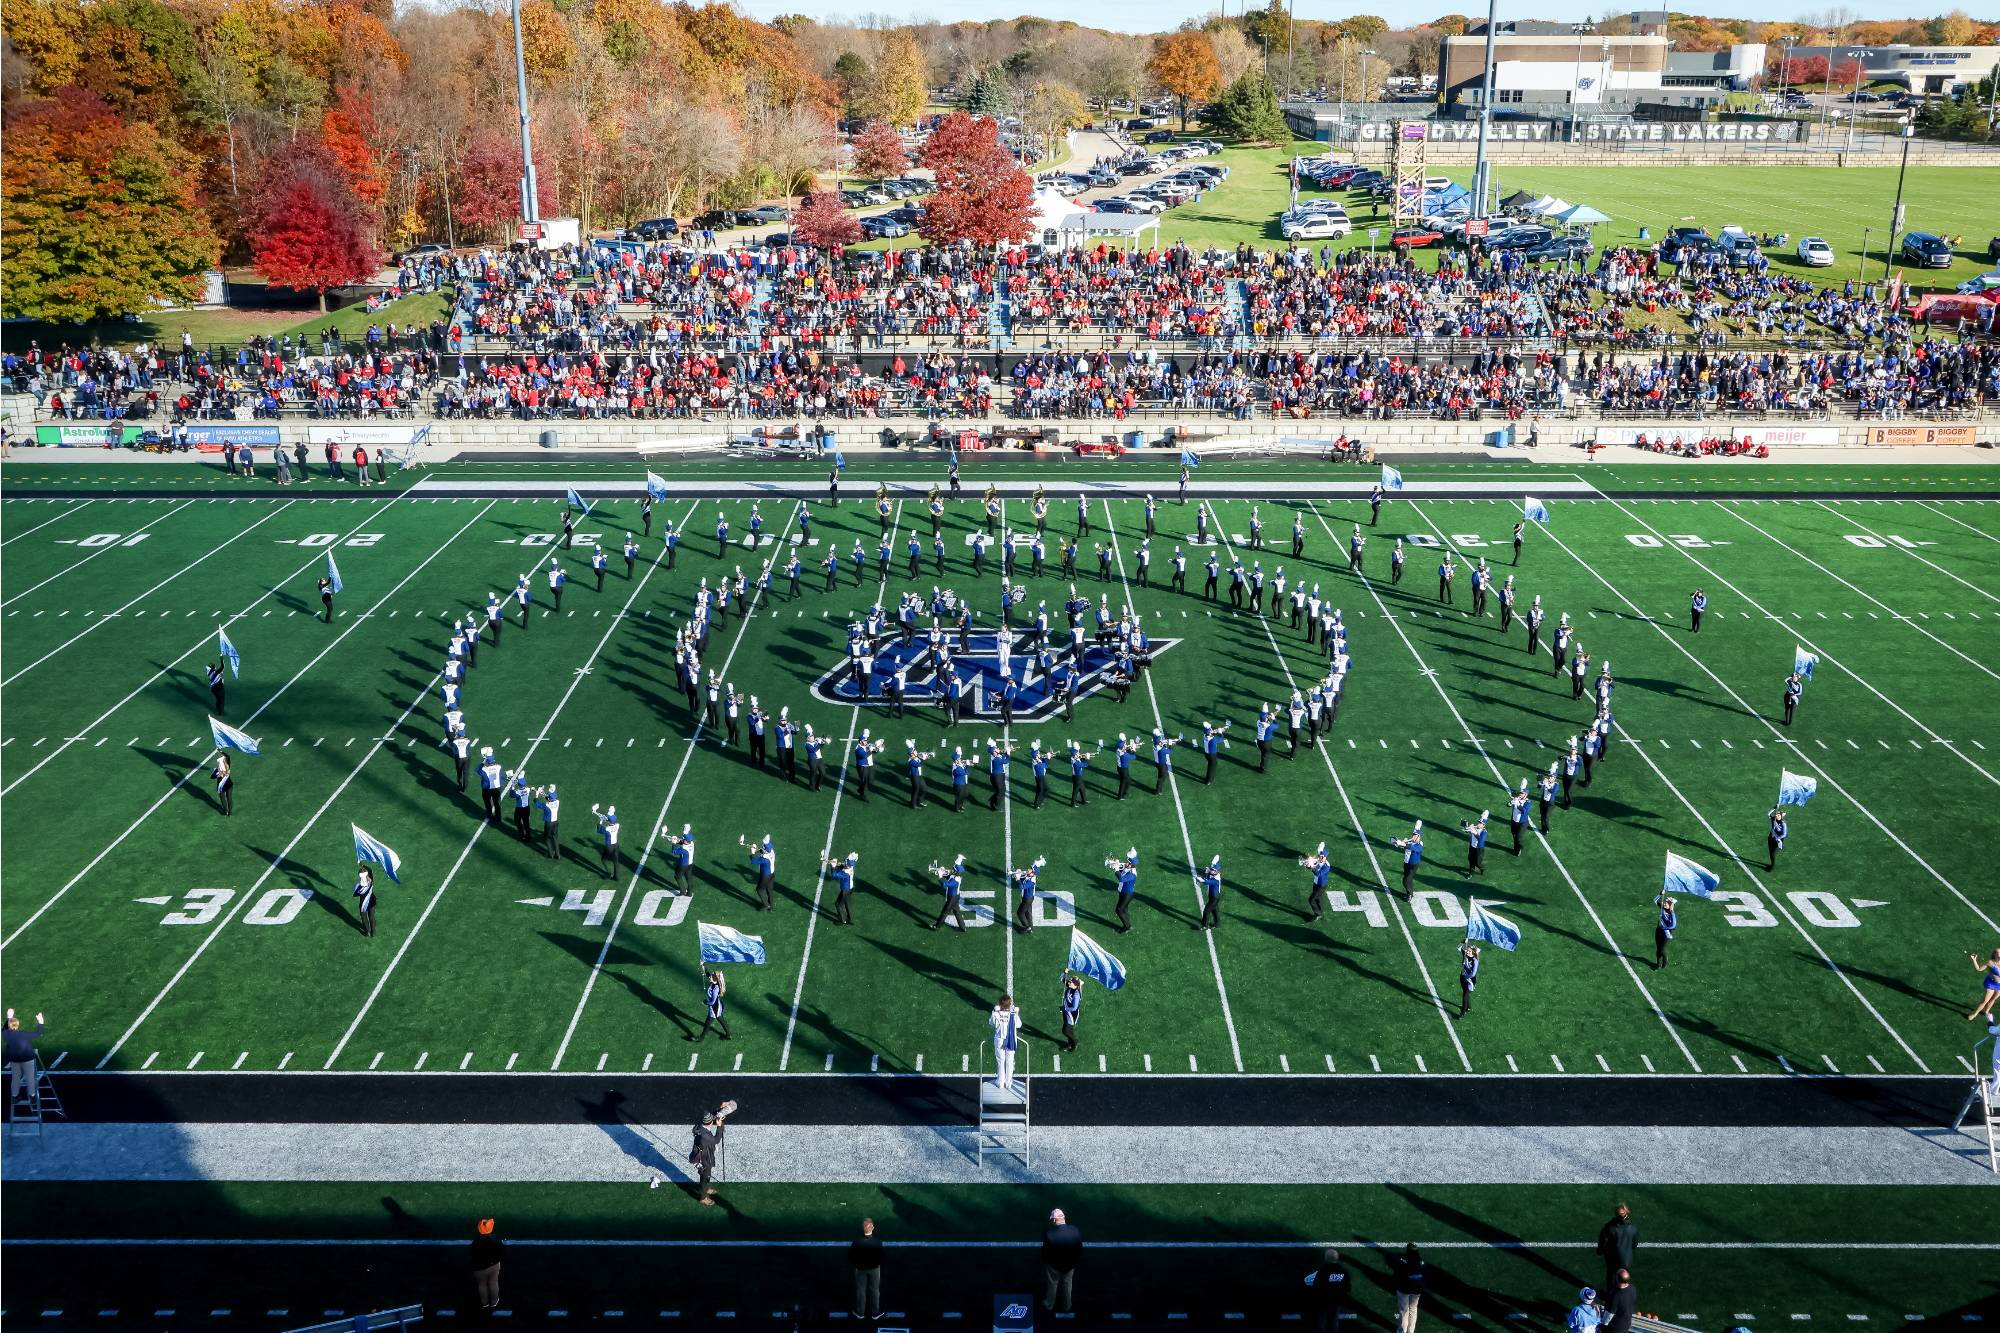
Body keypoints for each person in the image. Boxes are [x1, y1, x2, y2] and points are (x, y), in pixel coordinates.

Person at [1040, 1208, 1082, 1315]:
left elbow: (1045, 1253)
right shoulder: (1075, 1230)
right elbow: (1079, 1249)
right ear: (1063, 1218)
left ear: (1054, 1220)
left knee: (1052, 1284)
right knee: (1067, 1285)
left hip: (1054, 1266)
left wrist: (1047, 1263)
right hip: (1069, 1265)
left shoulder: (1049, 1234)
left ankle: (1050, 1304)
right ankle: (1067, 1306)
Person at [1304, 1247, 1350, 1333]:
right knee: (1333, 1320)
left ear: (1327, 1258)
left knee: (1321, 1320)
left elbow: (1316, 1285)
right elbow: (1347, 1288)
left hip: (1324, 1300)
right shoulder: (1344, 1271)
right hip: (1337, 1300)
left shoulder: (1323, 1271)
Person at [5, 1009, 46, 1107]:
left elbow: (6, 1028)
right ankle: (32, 1097)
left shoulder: (6, 1035)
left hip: (14, 1060)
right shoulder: (24, 1034)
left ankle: (15, 1097)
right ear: (17, 1025)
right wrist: (41, 1021)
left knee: (15, 1078)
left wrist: (9, 1016)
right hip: (27, 1058)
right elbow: (39, 1032)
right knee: (30, 1078)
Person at [1596, 1203, 1636, 1296]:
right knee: (1623, 1277)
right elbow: (1635, 1243)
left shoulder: (1610, 1227)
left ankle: (1609, 1294)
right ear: (1627, 1213)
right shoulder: (1633, 1228)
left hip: (1612, 1258)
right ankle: (1623, 1293)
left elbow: (1603, 1239)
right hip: (1627, 1259)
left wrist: (1600, 1250)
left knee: (1611, 1276)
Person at [850, 1218, 884, 1321]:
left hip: (860, 1269)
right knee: (874, 1290)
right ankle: (875, 1313)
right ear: (872, 1228)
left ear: (863, 1228)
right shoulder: (877, 1242)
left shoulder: (857, 1242)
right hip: (874, 1269)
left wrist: (857, 1264)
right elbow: (881, 1257)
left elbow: (851, 1256)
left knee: (861, 1290)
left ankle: (860, 1313)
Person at [1390, 1242, 1427, 1333]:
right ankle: (1410, 1331)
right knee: (1413, 1310)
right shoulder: (1421, 1262)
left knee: (1403, 1311)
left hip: (1404, 1289)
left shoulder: (1402, 1262)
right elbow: (1424, 1277)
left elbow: (1397, 1275)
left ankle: (1402, 1331)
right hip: (1416, 1290)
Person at [689, 1111, 723, 1205]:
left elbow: (709, 1114)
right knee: (705, 1176)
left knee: (705, 1175)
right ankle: (703, 1197)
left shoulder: (701, 1126)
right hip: (704, 1159)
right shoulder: (705, 1136)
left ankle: (705, 1188)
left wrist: (721, 1107)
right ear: (710, 1122)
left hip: (703, 1154)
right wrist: (719, 1127)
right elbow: (716, 1140)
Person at [470, 1218, 504, 1312]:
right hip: (494, 1265)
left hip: (479, 1267)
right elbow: (501, 1252)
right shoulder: (496, 1239)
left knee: (482, 1285)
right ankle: (494, 1302)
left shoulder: (476, 1241)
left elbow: (472, 1254)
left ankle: (484, 1303)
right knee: (494, 1282)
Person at [990, 992, 1022, 1092]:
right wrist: (1016, 1013)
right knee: (1009, 1061)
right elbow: (1019, 1025)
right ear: (1010, 1004)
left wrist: (994, 1011)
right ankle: (1008, 1083)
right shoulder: (1013, 1014)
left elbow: (991, 1023)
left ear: (999, 1004)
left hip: (999, 1040)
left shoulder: (996, 1014)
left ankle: (1000, 1082)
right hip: (1011, 1040)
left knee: (1000, 1061)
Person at [1968, 946, 2000, 1021]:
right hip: (1991, 984)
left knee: (1993, 999)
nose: (1999, 954)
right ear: (1994, 954)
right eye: (1998, 953)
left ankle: (1986, 1011)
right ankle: (1974, 1014)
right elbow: (1979, 969)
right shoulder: (1990, 963)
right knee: (1985, 1001)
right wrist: (1974, 960)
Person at [695, 969, 729, 1041]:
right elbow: (708, 975)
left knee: (708, 1023)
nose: (709, 977)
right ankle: (728, 1035)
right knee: (721, 1021)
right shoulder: (714, 983)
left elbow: (712, 1002)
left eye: (711, 977)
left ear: (714, 979)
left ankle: (701, 1038)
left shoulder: (715, 989)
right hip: (717, 1006)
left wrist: (705, 1002)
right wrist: (703, 967)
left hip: (715, 1008)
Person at [354, 864, 377, 937]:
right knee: (371, 916)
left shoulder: (358, 886)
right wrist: (363, 865)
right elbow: (370, 870)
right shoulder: (370, 881)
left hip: (363, 903)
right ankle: (373, 932)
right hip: (372, 901)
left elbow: (355, 894)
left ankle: (367, 931)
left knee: (364, 917)